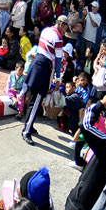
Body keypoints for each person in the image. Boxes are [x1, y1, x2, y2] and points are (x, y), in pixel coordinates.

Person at [19, 16, 69, 144]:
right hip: (43, 69)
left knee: (32, 99)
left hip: (36, 63)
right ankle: (26, 131)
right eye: (66, 27)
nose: (66, 30)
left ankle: (29, 125)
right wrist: (58, 78)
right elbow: (58, 61)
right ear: (61, 24)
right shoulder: (58, 38)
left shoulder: (46, 30)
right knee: (36, 102)